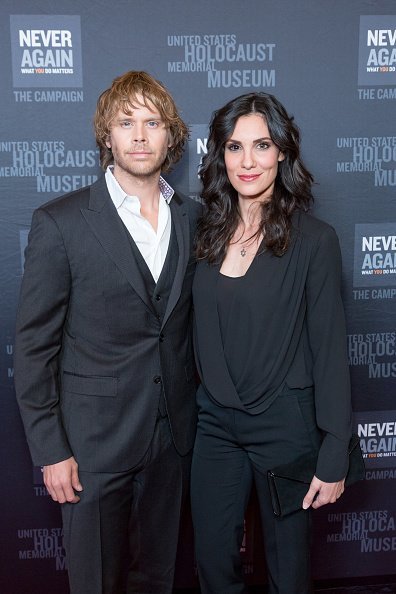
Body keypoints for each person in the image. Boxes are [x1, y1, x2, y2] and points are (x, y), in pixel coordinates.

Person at [14, 70, 201, 594]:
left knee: (160, 578)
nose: (140, 136)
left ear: (171, 136)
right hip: (91, 447)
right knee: (96, 581)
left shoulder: (193, 217)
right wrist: (52, 450)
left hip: (172, 442)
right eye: (126, 123)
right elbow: (33, 347)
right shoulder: (62, 222)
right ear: (107, 136)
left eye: (152, 122)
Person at [191, 92, 352, 594]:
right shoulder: (204, 232)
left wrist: (335, 453)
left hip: (286, 424)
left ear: (282, 150)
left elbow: (329, 352)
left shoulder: (313, 239)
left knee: (288, 572)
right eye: (234, 147)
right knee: (213, 562)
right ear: (220, 154)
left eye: (261, 145)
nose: (247, 161)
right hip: (215, 423)